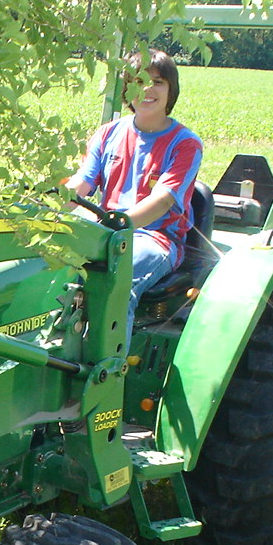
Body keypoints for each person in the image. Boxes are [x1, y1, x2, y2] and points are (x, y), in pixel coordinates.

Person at [68, 49, 203, 347]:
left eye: (157, 82)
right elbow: (82, 183)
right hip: (105, 231)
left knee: (117, 281)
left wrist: (116, 224)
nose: (147, 89)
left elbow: (163, 201)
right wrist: (51, 203)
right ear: (127, 88)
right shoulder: (108, 134)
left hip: (155, 238)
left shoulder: (185, 145)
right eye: (138, 81)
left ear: (171, 90)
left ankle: (108, 366)